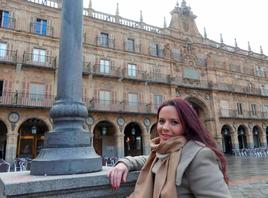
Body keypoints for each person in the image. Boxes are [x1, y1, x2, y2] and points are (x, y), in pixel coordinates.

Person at [107, 97, 231, 198]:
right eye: (161, 121)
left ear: (187, 126)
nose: (164, 128)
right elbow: (151, 159)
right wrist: (125, 163)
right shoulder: (163, 152)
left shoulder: (200, 156)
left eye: (174, 122)